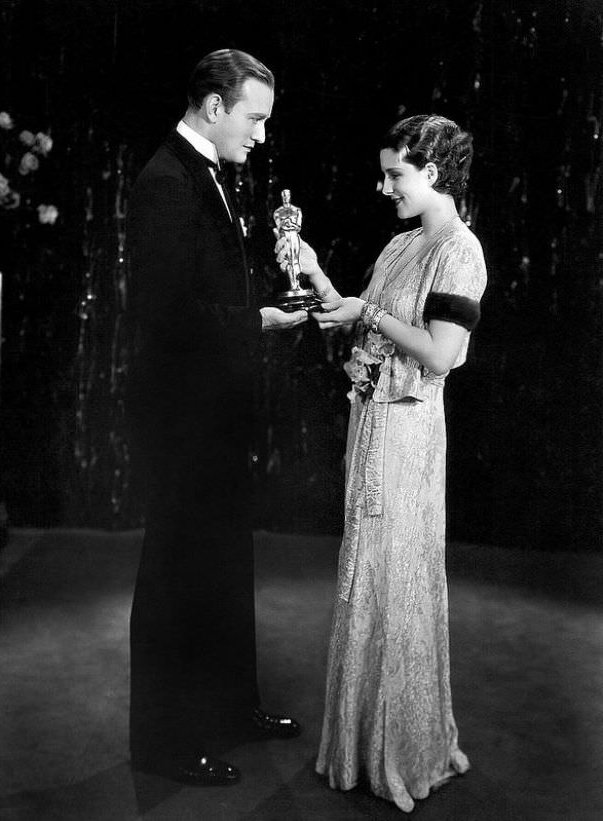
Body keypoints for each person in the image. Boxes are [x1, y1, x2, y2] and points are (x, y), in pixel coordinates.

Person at [275, 114, 487, 812]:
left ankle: (404, 748)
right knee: (365, 570)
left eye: (395, 173)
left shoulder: (459, 251)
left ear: (431, 172)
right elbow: (354, 312)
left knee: (396, 575)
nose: (383, 184)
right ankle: (358, 746)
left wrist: (364, 311)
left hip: (409, 432)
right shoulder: (400, 243)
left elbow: (441, 354)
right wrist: (313, 272)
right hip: (370, 422)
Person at [127, 49, 307, 787]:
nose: (261, 136)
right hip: (181, 418)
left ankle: (233, 707)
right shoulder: (167, 183)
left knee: (228, 563)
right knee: (178, 574)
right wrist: (255, 322)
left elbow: (209, 286)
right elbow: (166, 316)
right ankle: (166, 745)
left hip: (215, 411)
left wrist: (272, 301)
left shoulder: (208, 175)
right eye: (254, 118)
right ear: (211, 105)